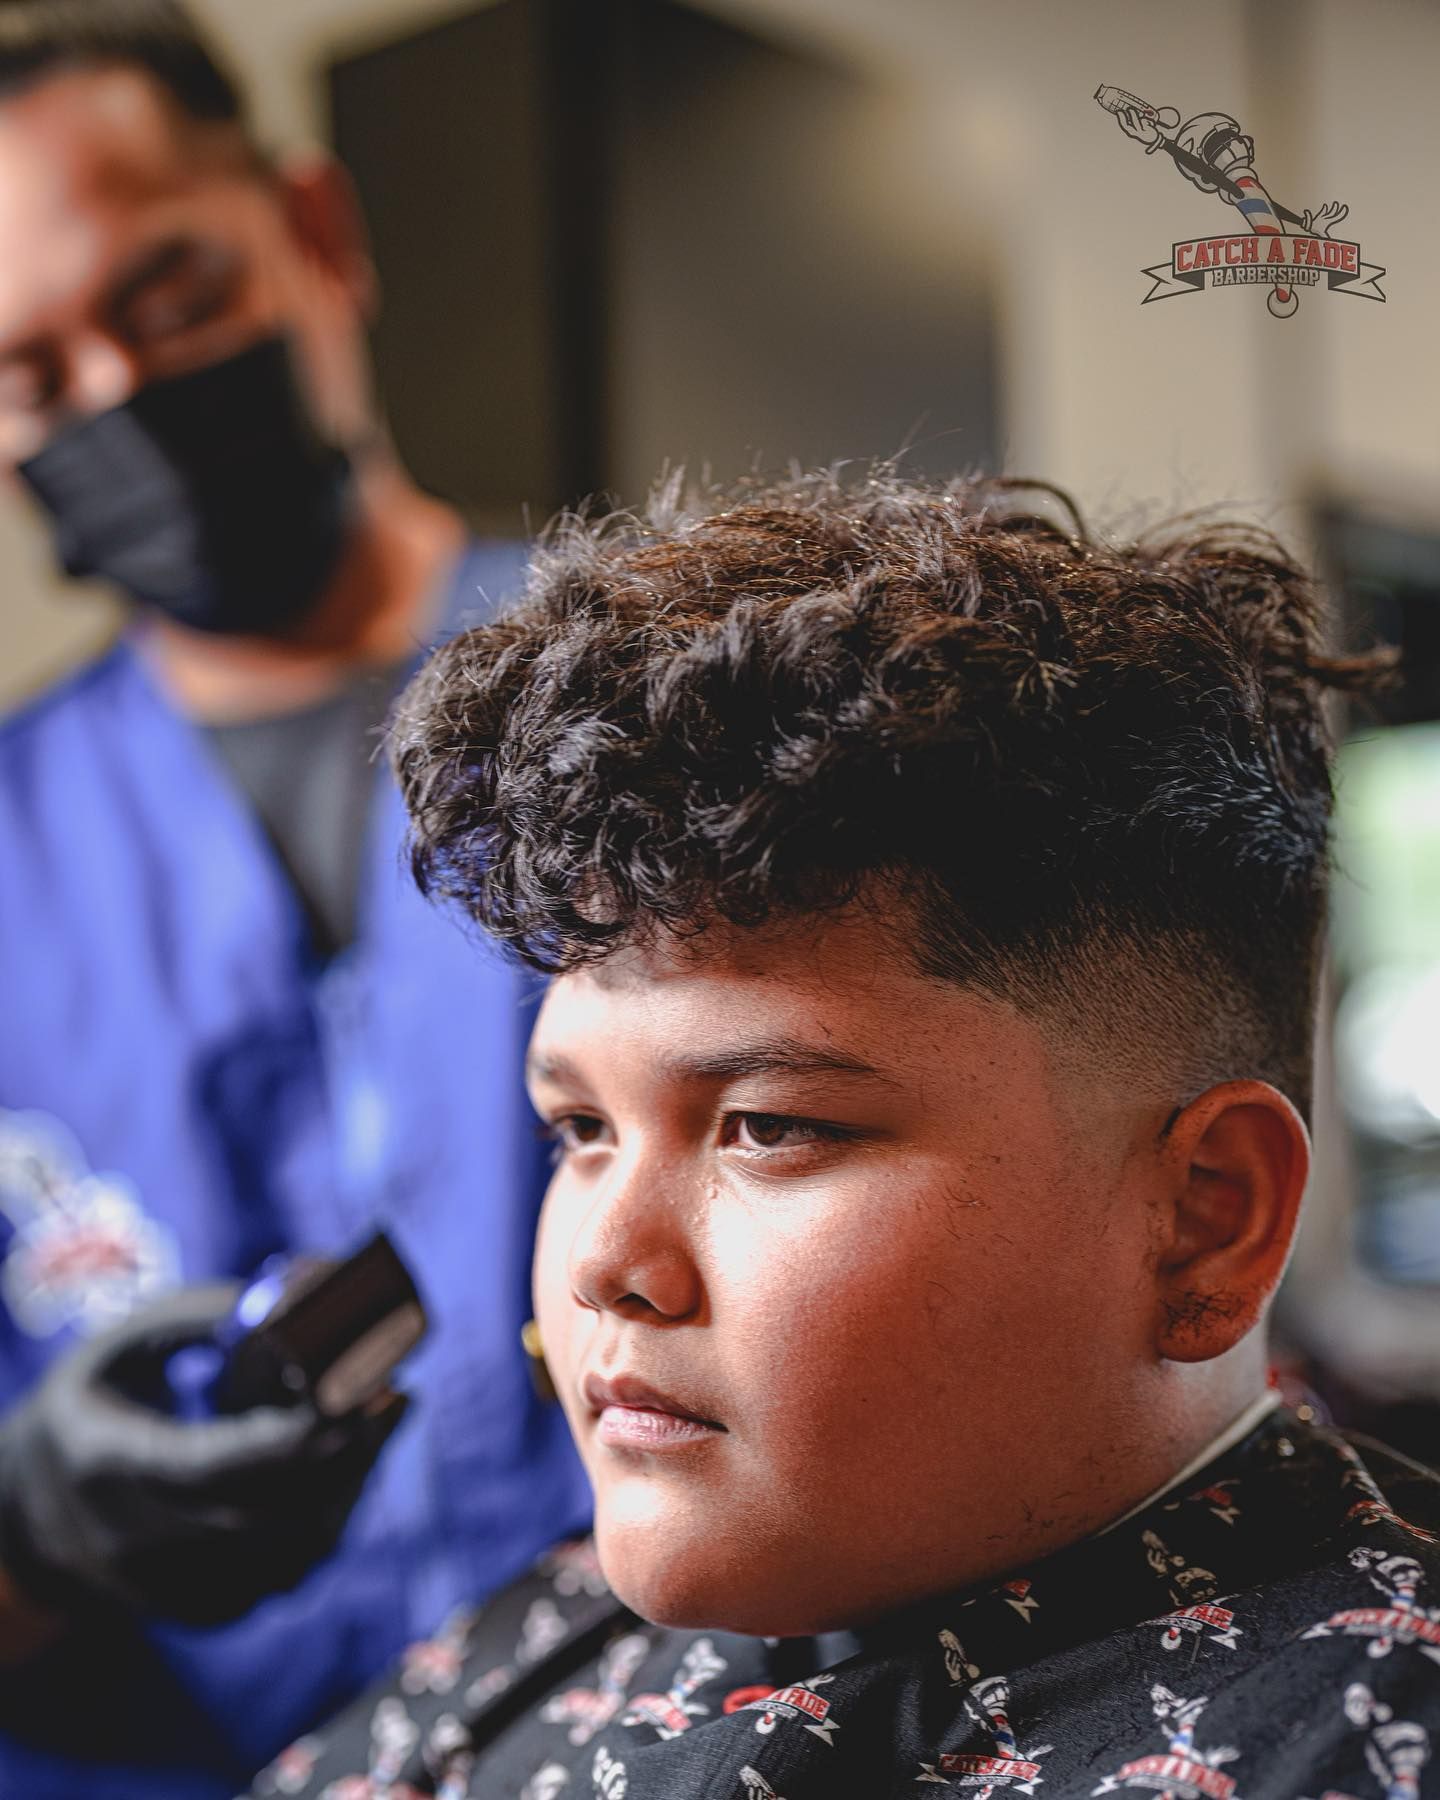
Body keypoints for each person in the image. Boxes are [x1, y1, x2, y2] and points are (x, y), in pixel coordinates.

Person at [248, 469, 1440, 1798]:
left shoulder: (1356, 1739)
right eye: (578, 1127)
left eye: (768, 1128)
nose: (603, 1261)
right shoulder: (560, 1626)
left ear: (1206, 1217)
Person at [0, 3, 588, 1795]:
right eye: (32, 375)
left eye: (168, 301)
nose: (121, 400)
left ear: (318, 237)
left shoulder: (662, 709)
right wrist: (38, 1529)